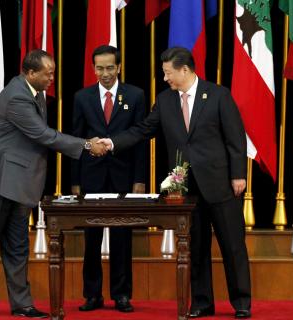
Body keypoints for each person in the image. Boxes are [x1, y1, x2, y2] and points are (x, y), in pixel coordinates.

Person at [99, 47, 252, 319]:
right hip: (185, 189)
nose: (166, 78)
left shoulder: (218, 95)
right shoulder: (166, 101)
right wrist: (112, 142)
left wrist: (238, 174)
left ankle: (241, 302)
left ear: (185, 70)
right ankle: (202, 302)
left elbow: (235, 139)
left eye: (168, 73)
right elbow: (142, 130)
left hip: (222, 185)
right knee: (196, 248)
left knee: (233, 245)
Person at [0, 49, 107, 319]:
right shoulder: (16, 97)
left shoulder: (34, 94)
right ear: (30, 73)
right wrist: (86, 145)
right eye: (47, 74)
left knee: (18, 246)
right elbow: (42, 134)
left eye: (53, 73)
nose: (51, 78)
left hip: (19, 183)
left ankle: (21, 303)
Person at [71, 45, 146, 313]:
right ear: (94, 69)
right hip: (91, 177)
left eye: (110, 68)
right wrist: (75, 182)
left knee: (122, 238)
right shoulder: (82, 97)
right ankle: (92, 295)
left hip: (124, 177)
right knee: (91, 238)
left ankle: (122, 294)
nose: (105, 73)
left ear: (119, 67)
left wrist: (139, 179)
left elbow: (139, 139)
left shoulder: (135, 96)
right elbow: (76, 142)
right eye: (100, 68)